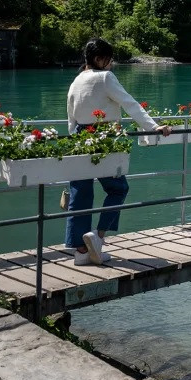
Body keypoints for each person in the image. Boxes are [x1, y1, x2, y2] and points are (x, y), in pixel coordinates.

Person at [65, 38, 170, 266]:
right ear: (99, 59)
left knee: (79, 194)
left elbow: (71, 119)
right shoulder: (105, 77)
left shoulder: (76, 80)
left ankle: (81, 252)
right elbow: (129, 103)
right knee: (118, 187)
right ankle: (98, 237)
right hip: (104, 137)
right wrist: (153, 127)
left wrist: (75, 142)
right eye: (109, 58)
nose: (111, 63)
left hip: (79, 137)